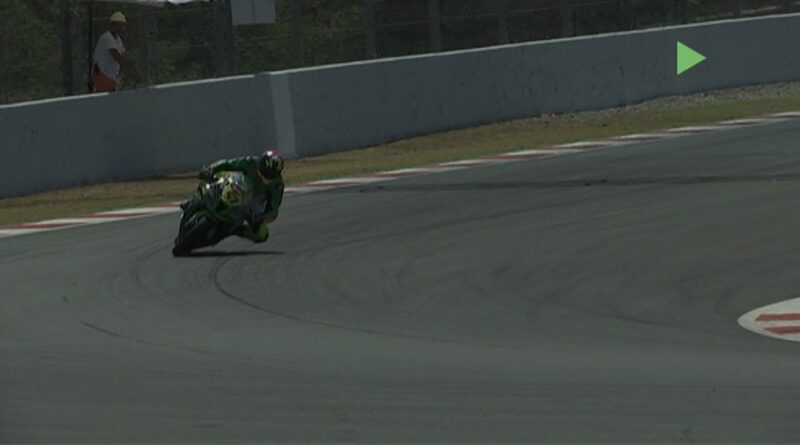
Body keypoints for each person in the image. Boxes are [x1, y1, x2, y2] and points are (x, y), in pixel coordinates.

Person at [181, 150, 285, 244]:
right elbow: (228, 163)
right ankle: (195, 199)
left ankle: (235, 230)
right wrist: (210, 169)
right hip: (236, 185)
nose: (265, 176)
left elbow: (273, 208)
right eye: (265, 171)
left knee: (262, 234)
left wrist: (259, 217)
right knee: (212, 176)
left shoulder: (277, 186)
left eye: (271, 175)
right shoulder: (251, 162)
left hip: (250, 204)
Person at [91, 12, 142, 92]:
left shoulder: (118, 39)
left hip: (110, 78)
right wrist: (131, 73)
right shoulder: (107, 37)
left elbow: (125, 56)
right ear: (115, 25)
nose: (124, 27)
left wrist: (135, 69)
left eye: (124, 25)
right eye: (122, 25)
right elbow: (118, 57)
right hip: (102, 75)